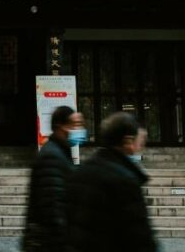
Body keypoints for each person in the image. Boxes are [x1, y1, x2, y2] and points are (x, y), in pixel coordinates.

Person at [66, 112, 158, 252]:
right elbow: (138, 237)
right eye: (140, 140)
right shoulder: (125, 180)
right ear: (128, 141)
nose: (141, 145)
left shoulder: (80, 172)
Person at [22, 105, 86, 252]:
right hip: (50, 243)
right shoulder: (52, 156)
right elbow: (53, 208)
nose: (79, 130)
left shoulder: (61, 153)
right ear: (60, 126)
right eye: (75, 125)